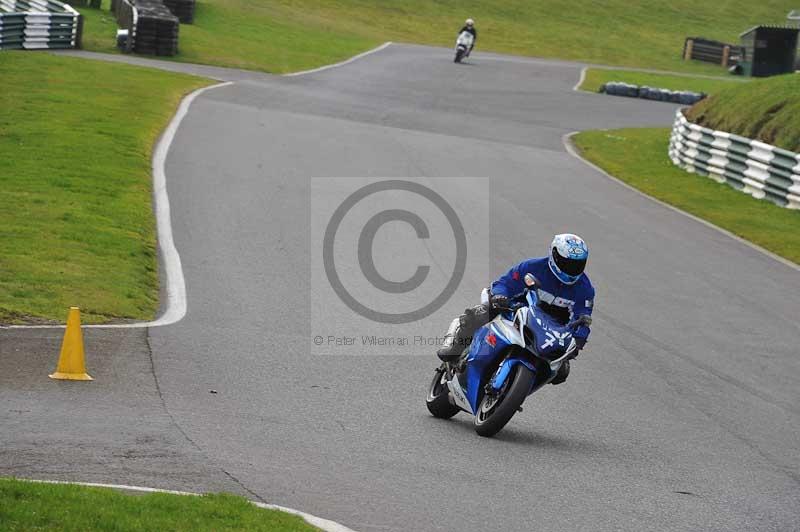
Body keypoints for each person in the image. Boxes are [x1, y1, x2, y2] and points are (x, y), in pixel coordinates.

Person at [436, 234, 594, 385]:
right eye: (567, 263)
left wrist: (579, 340)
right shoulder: (532, 267)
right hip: (517, 309)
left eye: (577, 265)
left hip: (549, 330)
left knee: (561, 372)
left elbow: (583, 318)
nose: (572, 269)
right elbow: (506, 283)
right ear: (554, 256)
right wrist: (500, 296)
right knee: (485, 311)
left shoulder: (585, 289)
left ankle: (514, 387)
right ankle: (457, 343)